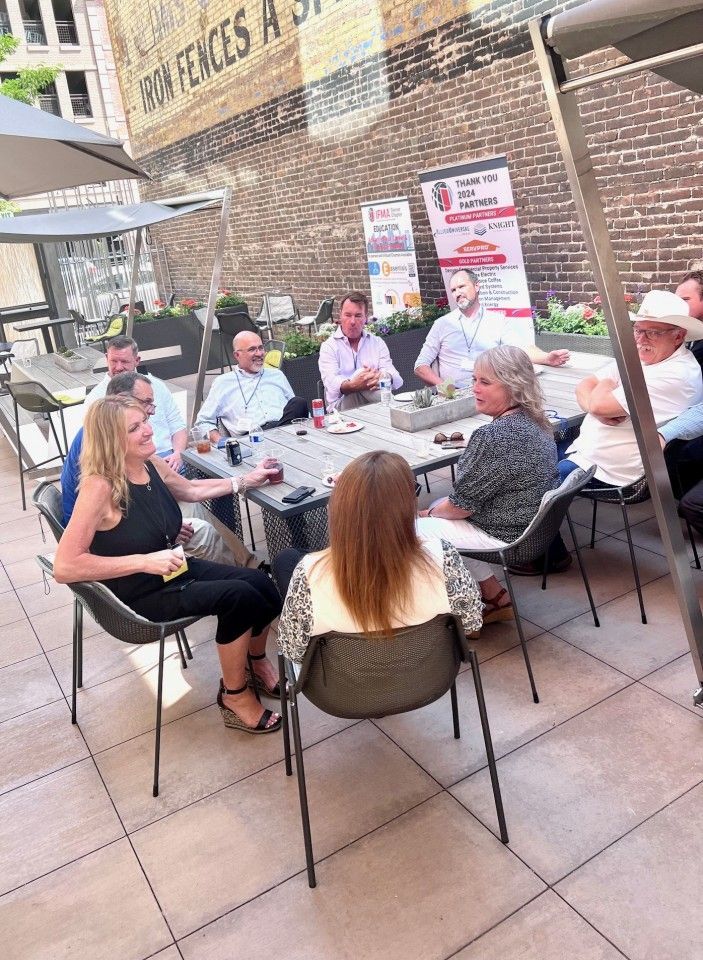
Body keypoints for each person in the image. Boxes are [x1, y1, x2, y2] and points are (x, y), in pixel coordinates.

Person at [53, 396, 284, 733]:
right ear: (111, 439)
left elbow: (190, 490)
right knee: (239, 597)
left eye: (145, 421)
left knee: (262, 584)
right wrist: (146, 560)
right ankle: (234, 696)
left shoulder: (148, 463)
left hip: (171, 570)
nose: (149, 431)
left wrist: (246, 480)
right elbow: (65, 566)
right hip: (138, 593)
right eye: (134, 428)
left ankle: (255, 662)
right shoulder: (99, 486)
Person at [274, 451, 482, 663]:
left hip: (341, 681)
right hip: (427, 674)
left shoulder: (309, 573)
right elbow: (471, 623)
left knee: (286, 559)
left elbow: (293, 651)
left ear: (338, 508)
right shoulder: (443, 557)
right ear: (407, 505)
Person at [416, 345, 559, 618]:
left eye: (485, 382)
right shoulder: (537, 420)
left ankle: (457, 613)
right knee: (440, 507)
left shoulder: (493, 436)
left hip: (507, 534)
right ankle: (495, 596)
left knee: (413, 530)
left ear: (513, 386)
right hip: (531, 526)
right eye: (474, 380)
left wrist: (426, 514)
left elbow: (460, 507)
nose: (475, 388)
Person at [60, 372, 256, 568]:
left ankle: (246, 566)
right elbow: (112, 512)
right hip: (108, 537)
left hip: (137, 517)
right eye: (146, 403)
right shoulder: (100, 447)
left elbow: (187, 489)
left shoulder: (134, 448)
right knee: (202, 530)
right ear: (120, 400)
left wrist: (243, 481)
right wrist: (163, 529)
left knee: (194, 507)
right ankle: (237, 571)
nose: (151, 415)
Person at [559, 290, 703, 487]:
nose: (641, 339)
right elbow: (583, 386)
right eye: (638, 330)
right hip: (586, 453)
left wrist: (605, 387)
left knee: (530, 474)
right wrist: (596, 409)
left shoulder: (677, 373)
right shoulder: (649, 356)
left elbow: (599, 403)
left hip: (608, 472)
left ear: (678, 336)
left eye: (653, 332)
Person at [414, 269, 569, 388]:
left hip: (491, 393)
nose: (458, 293)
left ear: (477, 286)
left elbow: (520, 350)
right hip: (453, 395)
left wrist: (547, 358)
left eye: (461, 287)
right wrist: (444, 387)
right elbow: (420, 365)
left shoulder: (497, 320)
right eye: (453, 290)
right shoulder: (442, 324)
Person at [85, 335, 187, 472]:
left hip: (170, 458)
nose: (118, 367)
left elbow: (177, 425)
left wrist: (178, 454)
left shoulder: (156, 386)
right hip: (131, 465)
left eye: (124, 361)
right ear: (106, 358)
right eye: (113, 361)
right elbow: (101, 448)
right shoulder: (97, 400)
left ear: (137, 360)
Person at [195, 331, 308, 441]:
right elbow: (203, 422)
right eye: (252, 349)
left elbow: (297, 412)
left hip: (285, 430)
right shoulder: (223, 383)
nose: (259, 354)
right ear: (237, 355)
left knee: (298, 403)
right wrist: (223, 442)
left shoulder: (277, 375)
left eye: (261, 348)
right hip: (251, 438)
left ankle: (281, 441)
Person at [318, 291, 402, 409]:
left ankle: (392, 408)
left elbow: (396, 378)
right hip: (341, 408)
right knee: (362, 374)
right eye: (348, 315)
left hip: (374, 404)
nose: (352, 321)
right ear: (340, 315)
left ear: (365, 317)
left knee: (371, 378)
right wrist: (355, 384)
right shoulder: (329, 347)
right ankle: (396, 409)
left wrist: (382, 377)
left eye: (358, 316)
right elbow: (331, 384)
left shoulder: (377, 342)